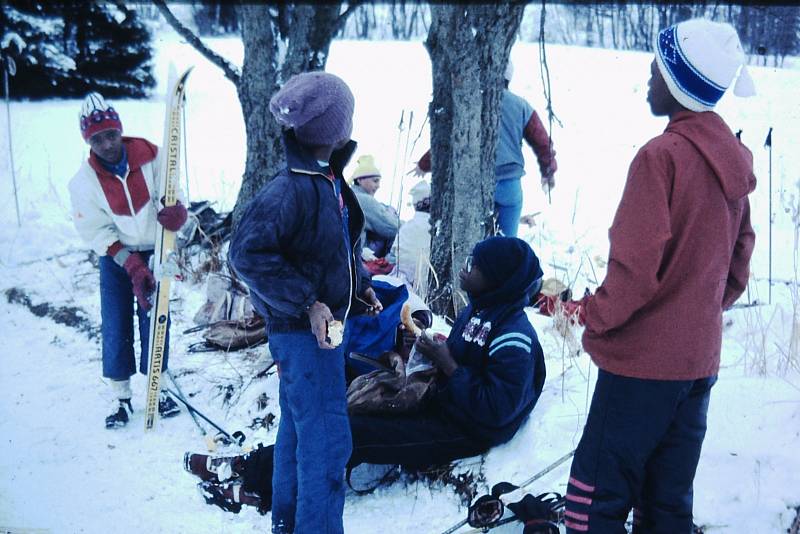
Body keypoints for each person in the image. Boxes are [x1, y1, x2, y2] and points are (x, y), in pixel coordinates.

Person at [189, 236, 547, 515]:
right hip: (442, 402)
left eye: (474, 265)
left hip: (464, 430)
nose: (464, 270)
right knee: (336, 415)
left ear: (498, 279)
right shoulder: (478, 311)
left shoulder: (514, 336)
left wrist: (448, 363)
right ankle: (249, 465)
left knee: (350, 436)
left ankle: (258, 487)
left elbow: (496, 410)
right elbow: (462, 360)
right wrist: (424, 347)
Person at [564, 19, 756, 533]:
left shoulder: (660, 157)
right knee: (666, 504)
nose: (648, 77)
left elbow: (633, 273)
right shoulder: (733, 159)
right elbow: (739, 262)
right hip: (698, 362)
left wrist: (593, 316)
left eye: (656, 68)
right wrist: (696, 311)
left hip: (641, 370)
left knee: (593, 503)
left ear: (677, 81)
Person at [228, 71, 383, 534]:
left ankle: (289, 524)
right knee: (328, 444)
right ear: (335, 128)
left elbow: (329, 248)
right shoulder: (290, 189)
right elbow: (245, 254)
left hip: (323, 333)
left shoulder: (326, 178)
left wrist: (359, 287)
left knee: (300, 434)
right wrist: (308, 302)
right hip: (303, 338)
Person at [68, 92, 185, 429]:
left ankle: (158, 389)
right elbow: (95, 230)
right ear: (88, 140)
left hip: (157, 248)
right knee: (116, 323)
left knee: (156, 318)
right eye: (97, 138)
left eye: (111, 134)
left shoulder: (152, 156)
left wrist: (177, 215)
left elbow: (174, 190)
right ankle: (121, 398)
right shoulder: (84, 182)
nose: (106, 144)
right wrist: (130, 264)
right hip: (117, 257)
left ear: (120, 131)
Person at [413, 61, 557, 237]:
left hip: (475, 184)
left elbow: (448, 142)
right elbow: (543, 142)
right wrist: (548, 171)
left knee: (474, 242)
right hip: (509, 185)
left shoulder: (469, 103)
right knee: (506, 243)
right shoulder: (522, 106)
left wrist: (424, 164)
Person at [350, 154, 400, 259]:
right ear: (360, 180)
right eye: (375, 181)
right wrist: (391, 214)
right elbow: (393, 228)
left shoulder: (350, 194)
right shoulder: (364, 200)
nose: (378, 186)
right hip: (356, 258)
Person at [386, 180, 432, 291]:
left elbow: (392, 256)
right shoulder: (435, 227)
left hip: (405, 284)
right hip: (426, 284)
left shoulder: (406, 228)